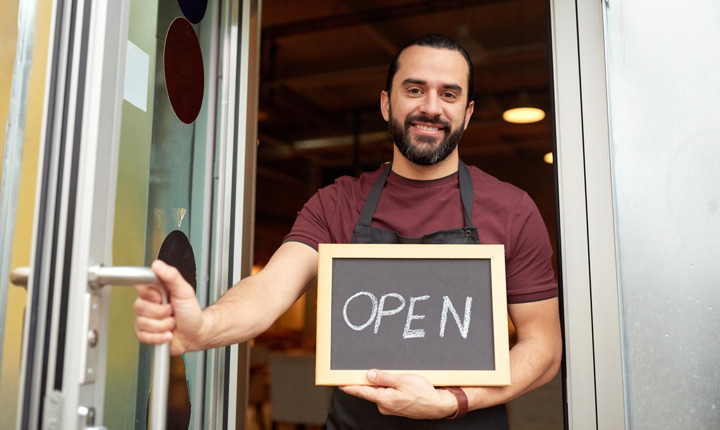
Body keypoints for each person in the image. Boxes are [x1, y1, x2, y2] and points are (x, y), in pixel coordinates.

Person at [134, 33, 562, 429]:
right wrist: (204, 327)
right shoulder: (338, 202)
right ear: (386, 104)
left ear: (466, 113)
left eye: (448, 94)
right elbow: (267, 291)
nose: (431, 107)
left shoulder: (512, 209)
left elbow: (543, 347)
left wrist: (452, 400)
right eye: (414, 90)